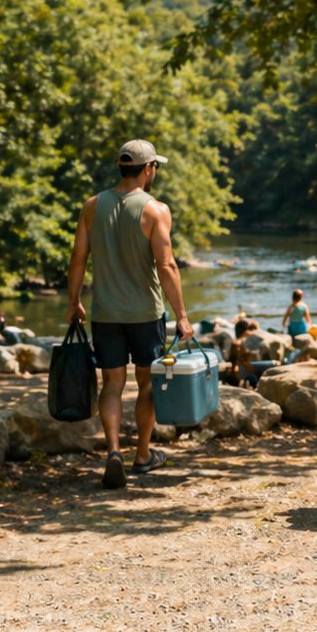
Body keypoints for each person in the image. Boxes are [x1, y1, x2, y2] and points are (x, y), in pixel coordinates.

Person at [66, 139, 193, 489]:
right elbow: (166, 264)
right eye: (156, 168)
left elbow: (78, 259)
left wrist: (73, 301)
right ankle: (142, 455)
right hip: (145, 313)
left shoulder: (92, 207)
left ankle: (113, 452)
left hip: (105, 312)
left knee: (112, 384)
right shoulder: (156, 210)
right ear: (148, 168)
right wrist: (182, 314)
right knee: (147, 382)